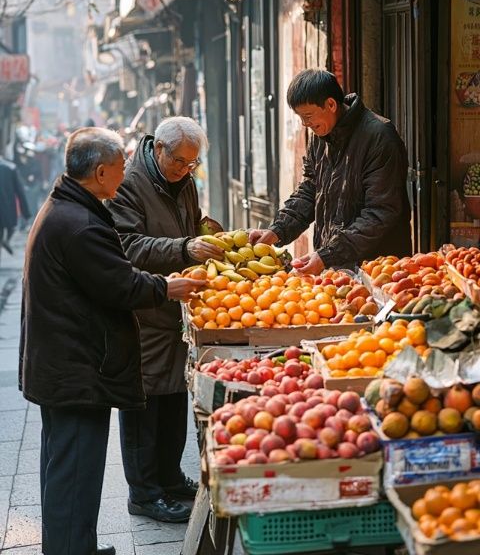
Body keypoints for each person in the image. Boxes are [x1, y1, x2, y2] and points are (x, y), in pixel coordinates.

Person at [19, 127, 204, 555]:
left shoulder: (69, 208)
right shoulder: (79, 224)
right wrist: (167, 287)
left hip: (66, 364)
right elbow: (121, 285)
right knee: (74, 469)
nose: (126, 174)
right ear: (101, 172)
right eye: (121, 167)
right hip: (75, 369)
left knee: (67, 468)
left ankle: (73, 545)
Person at [106, 116, 224, 523]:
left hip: (175, 309)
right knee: (144, 402)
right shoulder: (129, 183)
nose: (184, 170)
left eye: (192, 164)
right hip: (145, 308)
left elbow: (187, 226)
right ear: (158, 148)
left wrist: (203, 232)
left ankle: (170, 478)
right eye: (178, 161)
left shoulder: (182, 181)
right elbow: (127, 245)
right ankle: (144, 493)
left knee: (174, 396)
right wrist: (185, 246)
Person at [250, 69, 411, 272]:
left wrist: (328, 254)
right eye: (300, 117)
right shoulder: (320, 137)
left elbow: (380, 212)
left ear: (331, 105)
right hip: (336, 266)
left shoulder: (379, 137)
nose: (305, 124)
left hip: (377, 268)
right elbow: (309, 190)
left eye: (308, 116)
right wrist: (277, 230)